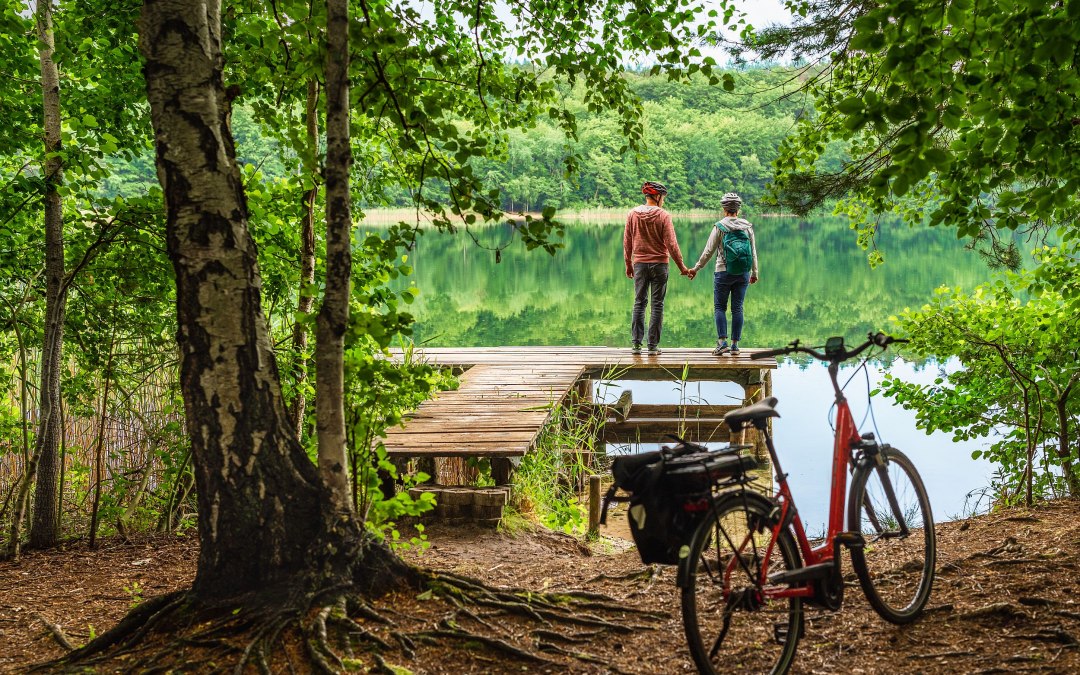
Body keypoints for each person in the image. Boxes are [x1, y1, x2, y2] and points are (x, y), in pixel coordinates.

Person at [623, 181, 692, 355]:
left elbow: (627, 242)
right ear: (657, 196)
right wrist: (682, 267)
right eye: (663, 198)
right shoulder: (663, 215)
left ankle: (636, 345)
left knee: (639, 302)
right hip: (660, 265)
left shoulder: (632, 214)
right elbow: (671, 244)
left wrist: (628, 264)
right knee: (657, 305)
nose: (664, 201)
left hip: (639, 264)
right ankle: (652, 346)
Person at [688, 192, 759, 355]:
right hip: (743, 272)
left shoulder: (720, 227)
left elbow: (708, 252)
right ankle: (734, 346)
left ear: (724, 209)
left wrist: (696, 269)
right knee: (738, 308)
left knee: (720, 307)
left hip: (723, 272)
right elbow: (753, 252)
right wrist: (754, 272)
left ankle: (722, 343)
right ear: (738, 210)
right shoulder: (747, 227)